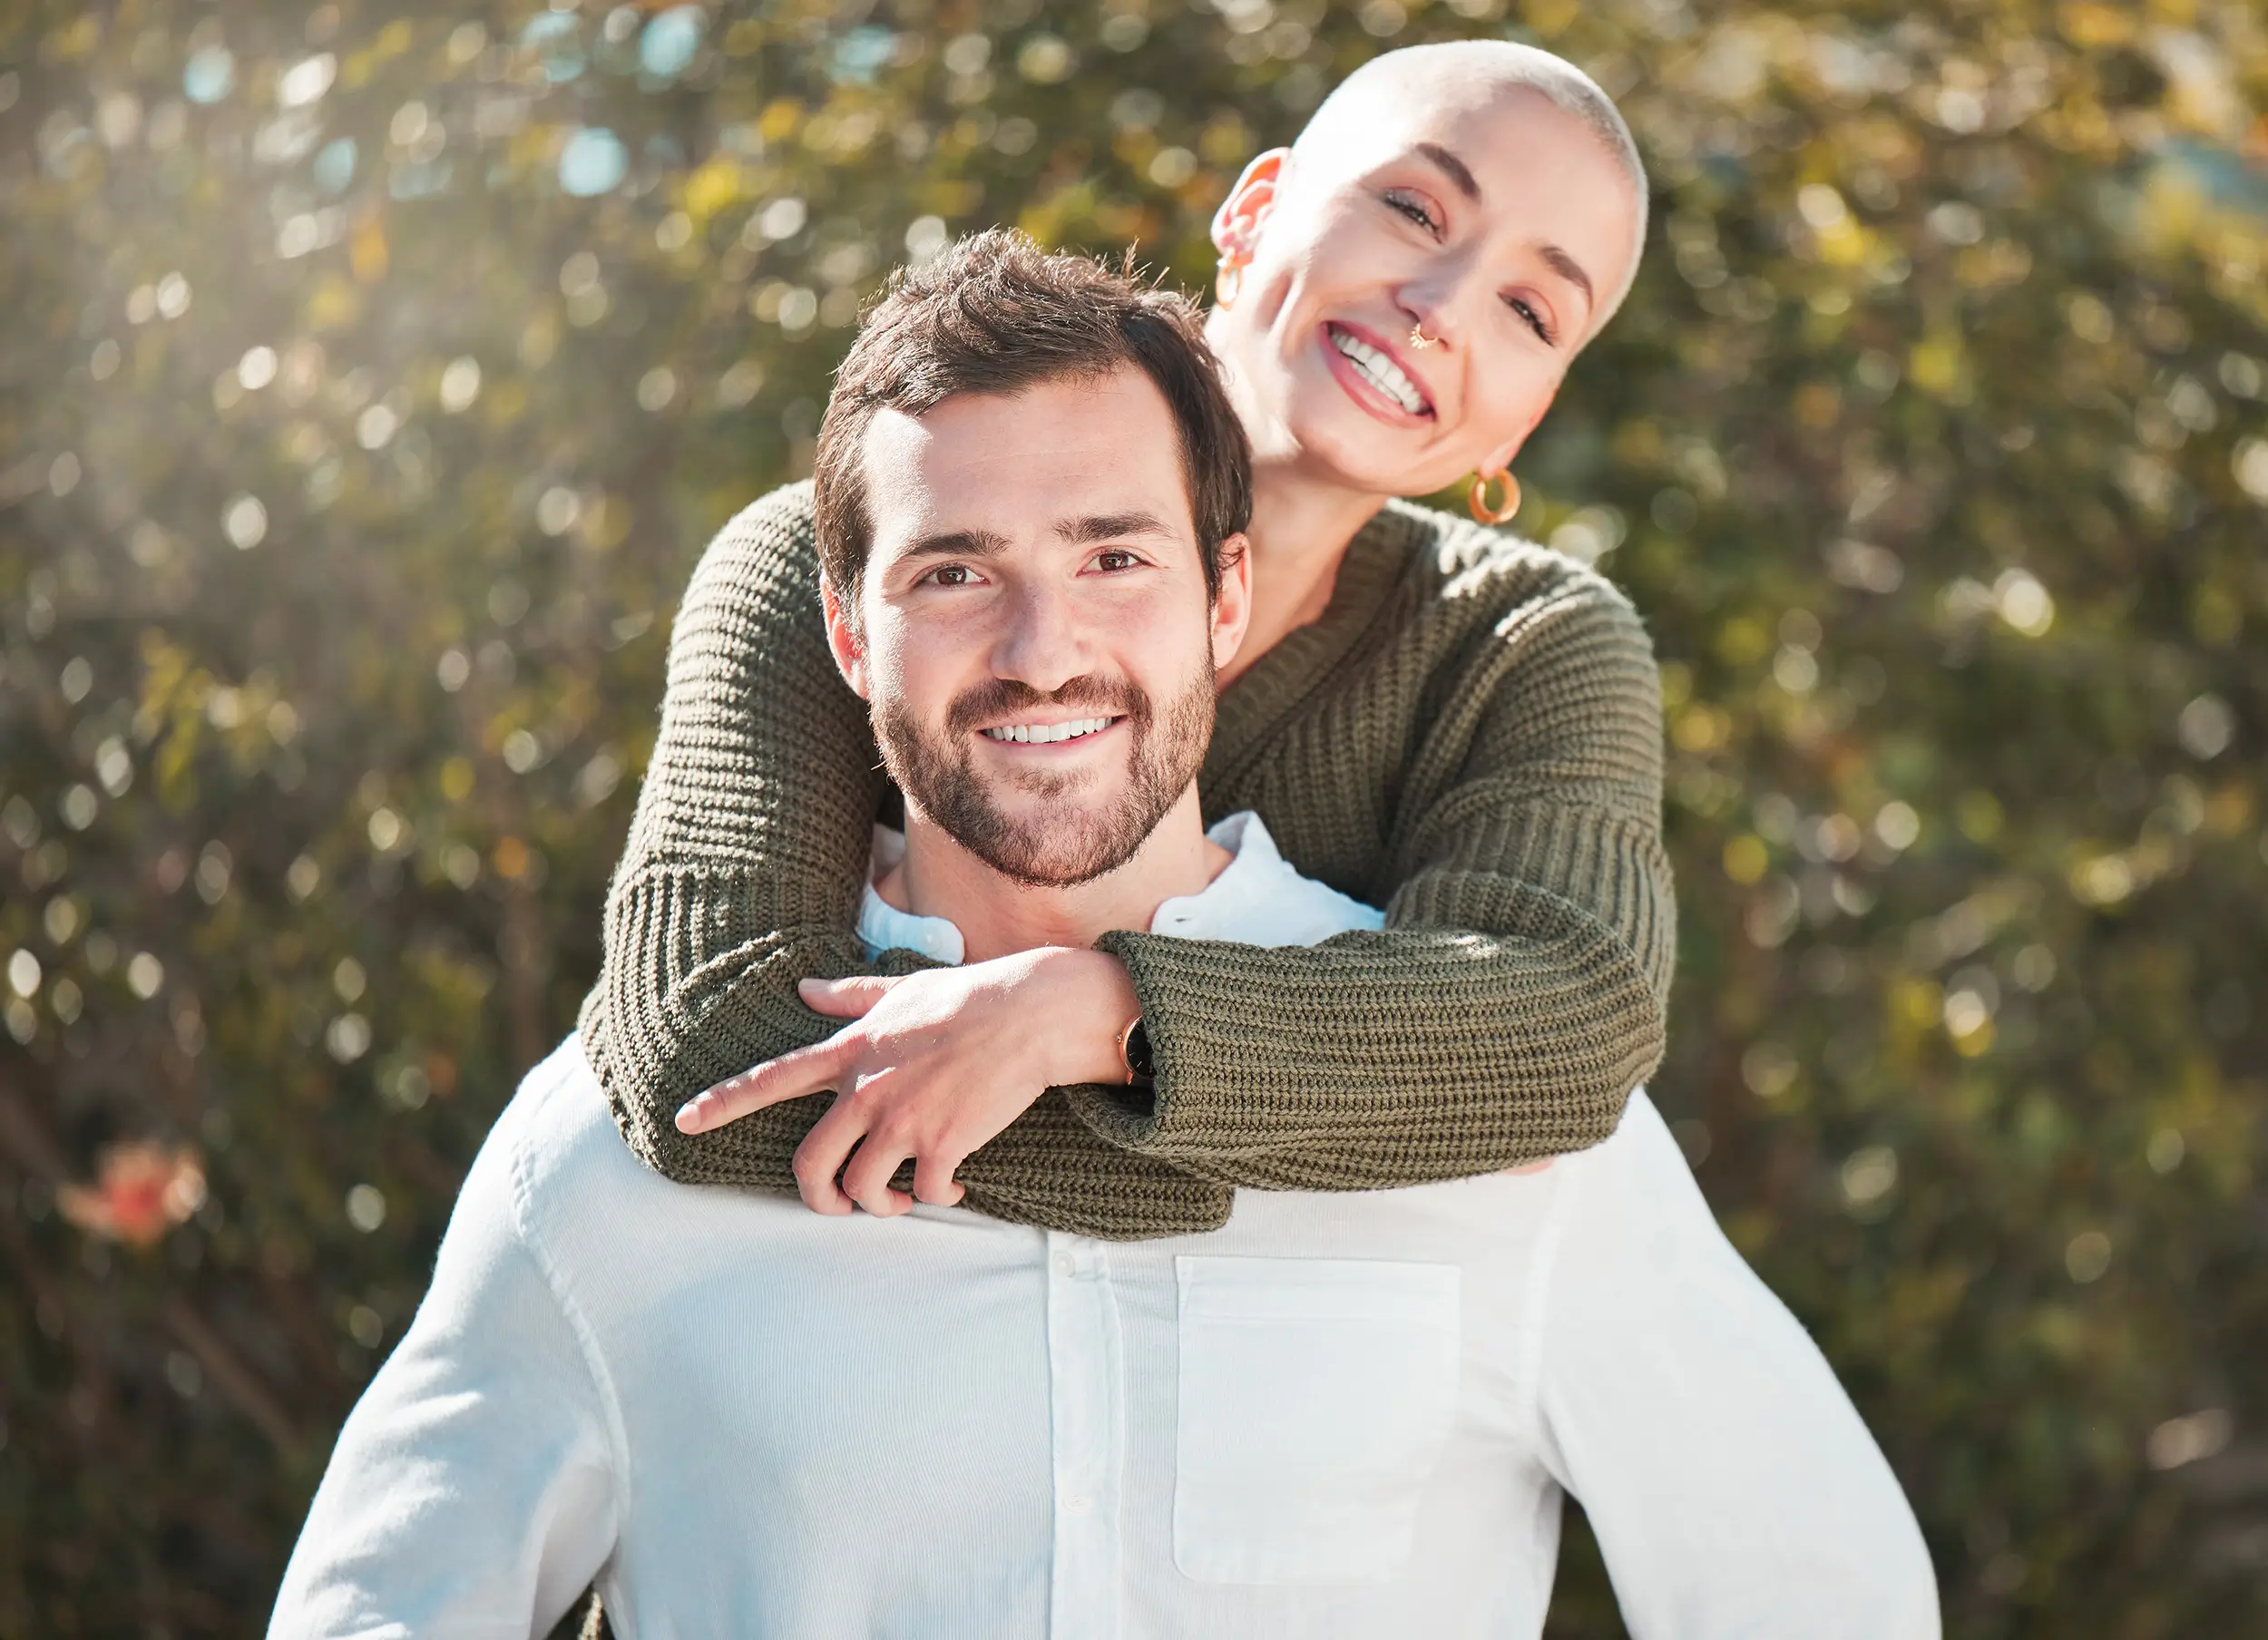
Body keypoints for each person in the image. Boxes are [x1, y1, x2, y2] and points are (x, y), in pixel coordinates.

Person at [272, 238, 1938, 1638]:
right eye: (953, 574)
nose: (1042, 646)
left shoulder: (1517, 1141)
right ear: (846, 629)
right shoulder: (618, 1154)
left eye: (1113, 557)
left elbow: (1821, 1597)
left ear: (1225, 598)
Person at [583, 40, 1675, 1233]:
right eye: (1415, 210)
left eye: (1529, 308)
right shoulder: (839, 566)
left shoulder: (1523, 643)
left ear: (1534, 410)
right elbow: (702, 1036)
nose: (1441, 308)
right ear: (1255, 213)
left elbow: (1561, 1026)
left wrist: (1092, 1016)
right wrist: (1294, 1170)